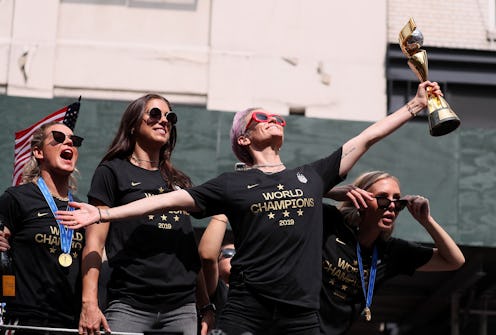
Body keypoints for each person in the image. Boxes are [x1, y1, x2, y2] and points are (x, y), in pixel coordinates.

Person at [58, 81, 443, 335]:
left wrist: (415, 105)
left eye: (277, 118)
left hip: (300, 317)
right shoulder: (232, 184)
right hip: (247, 312)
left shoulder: (312, 176)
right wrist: (104, 213)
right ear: (244, 137)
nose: (274, 120)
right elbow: (168, 199)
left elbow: (367, 138)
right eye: (262, 118)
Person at [77, 94, 213, 335]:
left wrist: (204, 305)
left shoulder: (179, 181)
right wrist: (89, 303)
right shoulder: (111, 172)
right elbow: (94, 244)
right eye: (154, 114)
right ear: (132, 124)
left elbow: (188, 249)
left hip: (182, 308)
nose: (164, 121)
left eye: (170, 116)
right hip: (129, 306)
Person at [319, 172, 465, 334]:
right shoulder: (330, 223)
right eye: (382, 198)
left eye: (398, 201)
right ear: (359, 200)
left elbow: (454, 260)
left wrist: (426, 220)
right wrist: (329, 192)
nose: (392, 206)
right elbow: (288, 195)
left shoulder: (390, 252)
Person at [0, 122, 86, 333]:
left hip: (70, 323)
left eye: (74, 141)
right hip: (27, 319)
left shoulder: (82, 208)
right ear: (38, 152)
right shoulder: (17, 198)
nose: (68, 142)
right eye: (58, 137)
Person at [198, 214, 235, 324]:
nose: (235, 257)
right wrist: (222, 215)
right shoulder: (216, 289)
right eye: (229, 254)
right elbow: (208, 257)